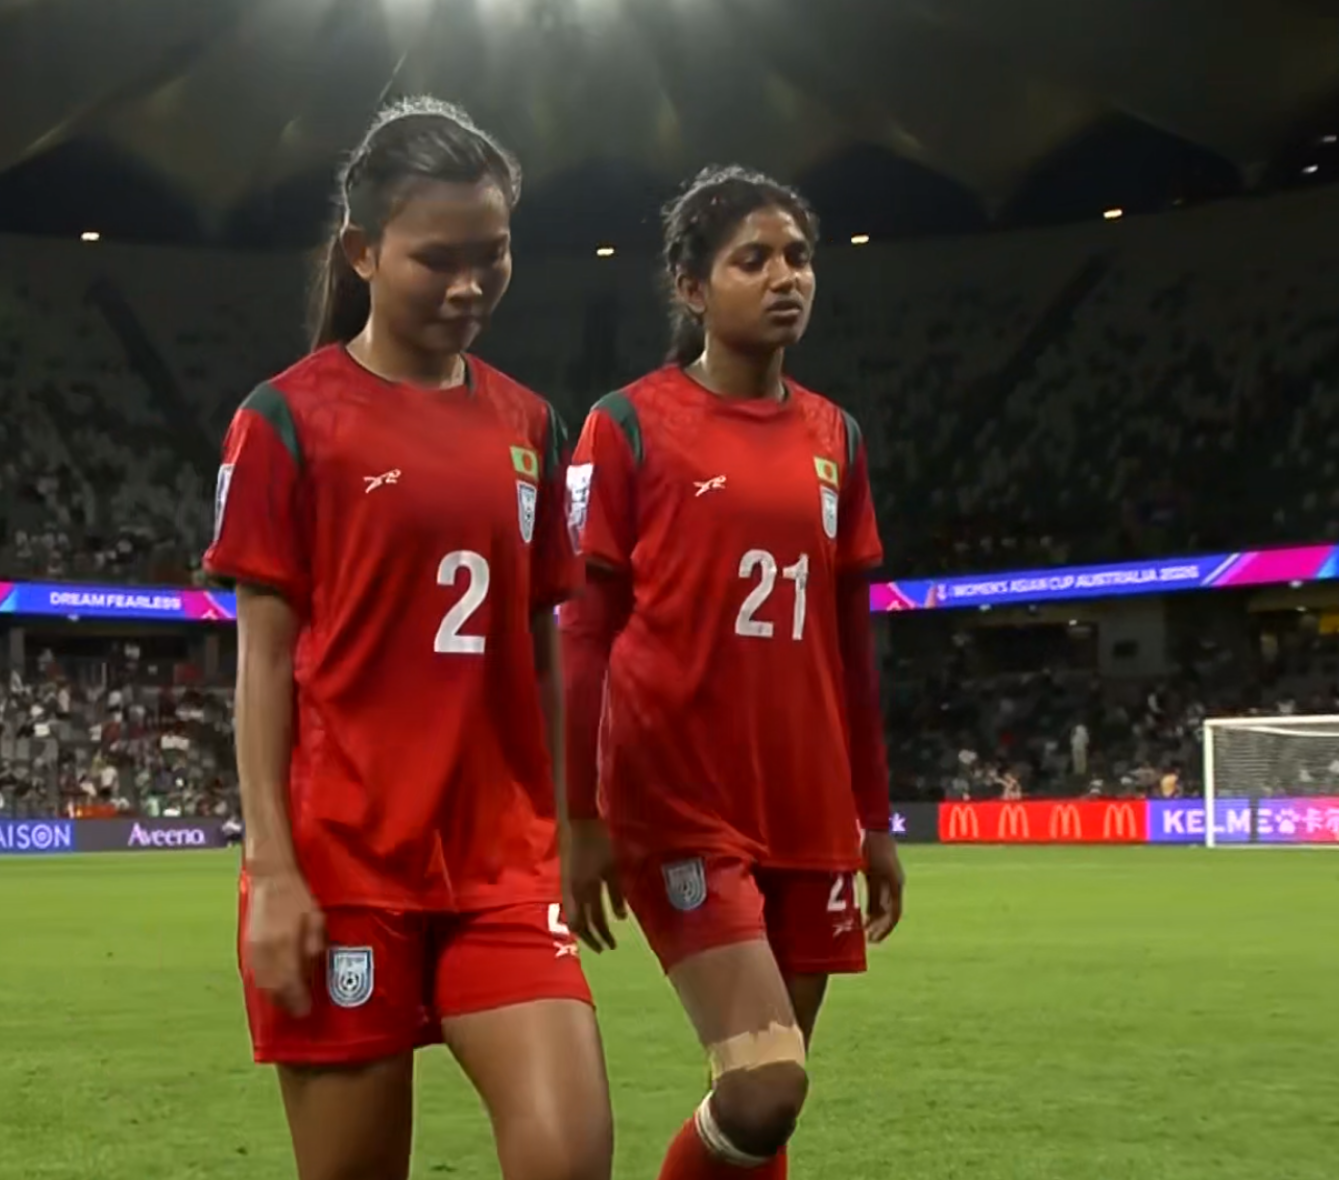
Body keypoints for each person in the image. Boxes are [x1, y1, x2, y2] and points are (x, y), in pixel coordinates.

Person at [204, 97, 612, 1180]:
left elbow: (541, 650)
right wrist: (272, 870)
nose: (471, 285)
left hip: (501, 863)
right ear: (363, 252)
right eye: (439, 259)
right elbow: (263, 663)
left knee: (571, 1158)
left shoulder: (530, 424)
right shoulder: (285, 421)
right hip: (343, 864)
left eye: (494, 254)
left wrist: (570, 821)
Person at [558, 165, 906, 1180]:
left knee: (762, 1108)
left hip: (808, 801)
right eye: (752, 259)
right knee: (764, 1086)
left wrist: (872, 816)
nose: (785, 276)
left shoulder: (837, 436)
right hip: (677, 799)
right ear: (692, 287)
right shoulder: (626, 425)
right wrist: (579, 815)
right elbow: (583, 633)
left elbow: (850, 644)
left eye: (798, 256)